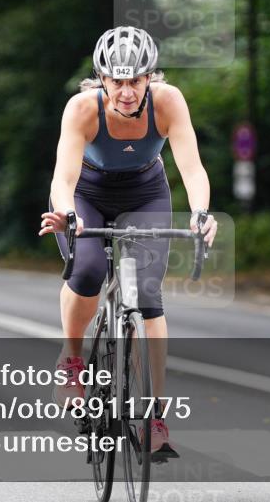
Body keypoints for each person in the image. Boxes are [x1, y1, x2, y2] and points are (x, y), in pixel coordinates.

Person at [39, 26, 217, 458]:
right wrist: (68, 214)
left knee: (150, 297)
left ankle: (155, 414)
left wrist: (200, 214)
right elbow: (64, 176)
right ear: (101, 79)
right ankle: (73, 358)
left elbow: (191, 168)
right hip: (88, 193)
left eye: (135, 80)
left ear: (149, 77)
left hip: (145, 191)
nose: (125, 92)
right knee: (88, 270)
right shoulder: (82, 108)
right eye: (116, 81)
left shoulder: (168, 102)